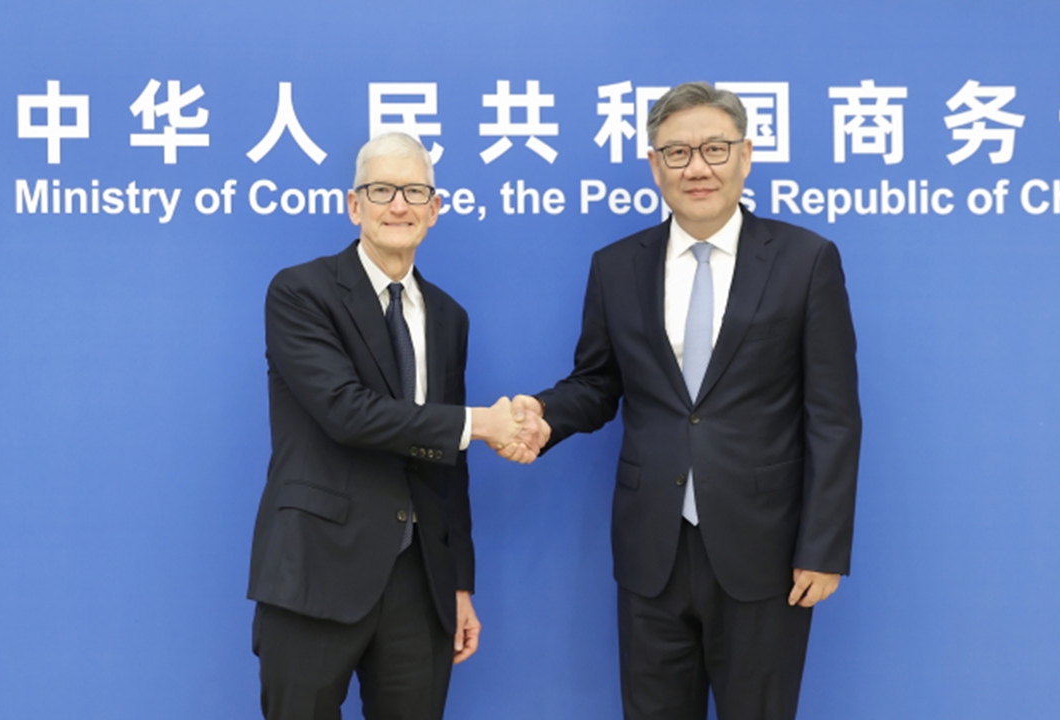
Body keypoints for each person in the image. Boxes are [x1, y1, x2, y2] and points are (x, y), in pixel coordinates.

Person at [507, 82, 862, 720]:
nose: (697, 166)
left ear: (745, 156)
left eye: (714, 149)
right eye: (676, 153)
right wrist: (545, 416)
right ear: (654, 166)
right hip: (652, 551)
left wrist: (823, 548)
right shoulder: (616, 266)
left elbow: (833, 417)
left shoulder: (806, 261)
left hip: (767, 553)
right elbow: (596, 383)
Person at [247, 132, 541, 720]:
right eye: (381, 190)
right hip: (316, 571)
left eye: (414, 191)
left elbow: (446, 463)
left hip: (419, 582)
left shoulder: (448, 316)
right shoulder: (301, 292)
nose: (398, 205)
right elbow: (346, 412)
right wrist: (481, 423)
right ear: (354, 205)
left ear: (435, 209)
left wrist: (458, 584)